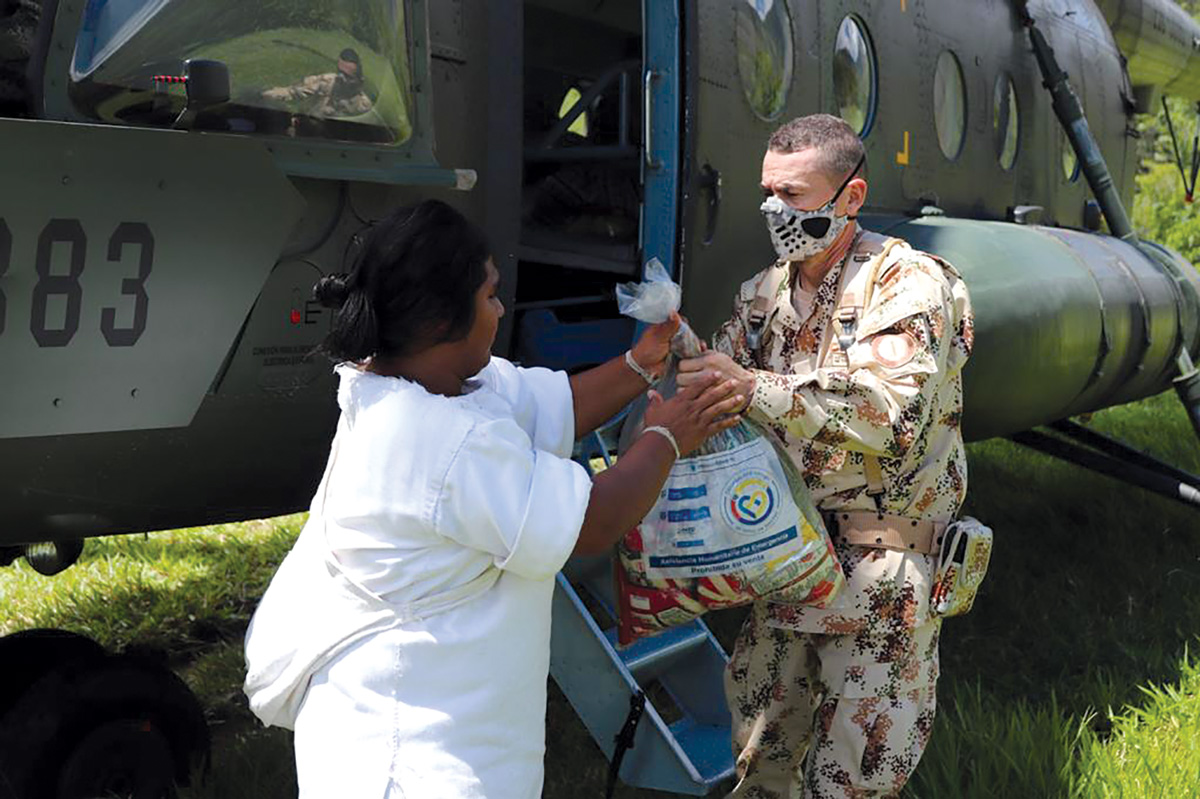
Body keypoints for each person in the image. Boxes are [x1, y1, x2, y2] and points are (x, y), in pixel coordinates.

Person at [243, 199, 745, 798]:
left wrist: (641, 363)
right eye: (489, 296)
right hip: (408, 754)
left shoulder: (432, 382)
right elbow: (591, 522)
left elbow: (552, 404)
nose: (501, 308)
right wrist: (669, 435)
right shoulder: (435, 438)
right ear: (437, 322)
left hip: (449, 732)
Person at [677, 114, 974, 797]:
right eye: (767, 192)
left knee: (853, 781)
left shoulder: (907, 287)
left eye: (796, 195)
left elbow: (883, 413)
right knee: (758, 767)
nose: (776, 211)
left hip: (881, 575)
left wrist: (751, 386)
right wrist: (685, 362)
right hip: (787, 565)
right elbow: (724, 399)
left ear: (851, 195)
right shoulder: (763, 297)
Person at [261, 47, 372, 118]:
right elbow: (292, 92)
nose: (340, 78)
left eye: (347, 76)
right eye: (339, 72)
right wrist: (266, 94)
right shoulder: (326, 81)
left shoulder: (363, 106)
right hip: (306, 129)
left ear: (359, 79)